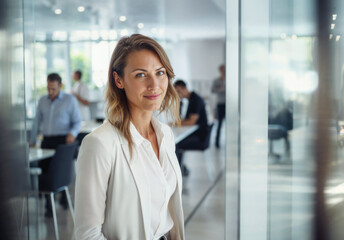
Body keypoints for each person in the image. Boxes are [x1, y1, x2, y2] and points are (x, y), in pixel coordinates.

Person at [74, 34, 185, 240]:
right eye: (141, 75)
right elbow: (87, 235)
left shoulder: (165, 135)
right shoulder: (100, 144)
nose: (154, 85)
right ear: (119, 80)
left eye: (160, 73)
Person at [30, 73, 81, 216]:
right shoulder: (42, 101)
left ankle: (64, 197)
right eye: (48, 88)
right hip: (47, 141)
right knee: (46, 172)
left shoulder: (69, 100)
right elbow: (37, 122)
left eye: (53, 89)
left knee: (61, 172)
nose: (50, 92)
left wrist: (72, 133)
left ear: (60, 86)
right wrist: (33, 139)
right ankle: (48, 205)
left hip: (64, 141)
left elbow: (77, 121)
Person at [173, 80, 208, 176]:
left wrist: (174, 124)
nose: (178, 94)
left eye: (179, 91)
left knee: (176, 145)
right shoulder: (190, 99)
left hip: (200, 137)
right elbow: (186, 118)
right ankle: (180, 169)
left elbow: (191, 121)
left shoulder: (195, 100)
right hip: (197, 133)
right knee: (176, 143)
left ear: (185, 88)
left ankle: (177, 172)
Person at [211, 64, 226, 148]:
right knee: (219, 124)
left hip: (228, 104)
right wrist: (220, 89)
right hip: (220, 104)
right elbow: (213, 90)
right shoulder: (216, 80)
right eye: (221, 69)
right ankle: (217, 142)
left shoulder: (229, 79)